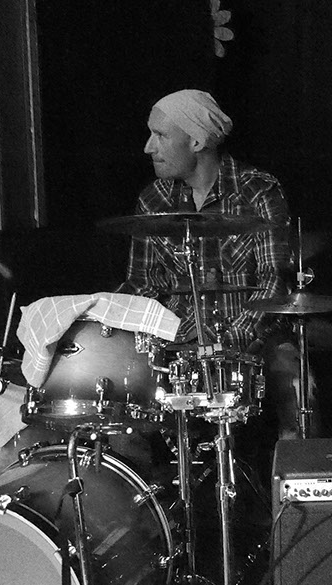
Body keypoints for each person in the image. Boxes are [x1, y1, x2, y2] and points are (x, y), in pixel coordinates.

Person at [116, 89, 309, 444]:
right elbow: (141, 286)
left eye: (160, 135)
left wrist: (228, 342)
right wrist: (102, 316)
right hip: (177, 344)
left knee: (297, 382)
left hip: (254, 338)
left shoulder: (257, 191)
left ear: (196, 141)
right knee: (119, 398)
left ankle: (296, 473)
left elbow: (274, 282)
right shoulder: (154, 200)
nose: (148, 147)